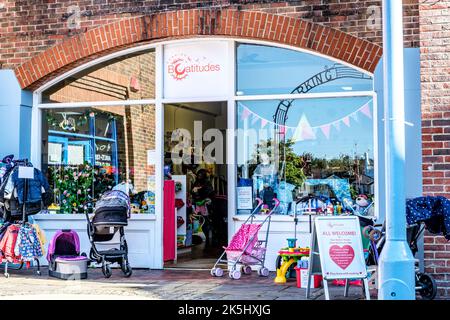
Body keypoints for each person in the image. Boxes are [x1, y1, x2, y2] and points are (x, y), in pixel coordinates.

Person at [191, 169, 215, 248]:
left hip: (205, 205)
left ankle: (208, 238)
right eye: (198, 175)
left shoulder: (207, 183)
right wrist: (195, 192)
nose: (199, 176)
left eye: (201, 175)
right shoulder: (197, 183)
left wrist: (198, 191)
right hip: (198, 205)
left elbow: (209, 193)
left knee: (205, 221)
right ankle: (205, 238)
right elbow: (193, 193)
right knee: (199, 221)